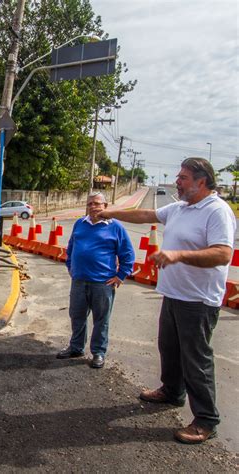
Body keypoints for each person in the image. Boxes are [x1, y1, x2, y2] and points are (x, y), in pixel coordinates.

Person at [98, 157, 236, 444]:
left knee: (196, 360)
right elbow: (146, 215)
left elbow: (223, 254)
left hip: (198, 300)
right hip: (174, 294)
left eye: (183, 177)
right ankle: (172, 391)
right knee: (169, 348)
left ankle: (206, 420)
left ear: (201, 181)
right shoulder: (181, 207)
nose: (177, 181)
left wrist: (178, 255)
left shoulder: (217, 211)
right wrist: (110, 212)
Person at [57, 192, 135, 368]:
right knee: (77, 316)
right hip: (78, 280)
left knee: (101, 319)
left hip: (102, 283)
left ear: (105, 206)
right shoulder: (80, 223)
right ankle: (76, 347)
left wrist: (120, 275)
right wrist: (70, 266)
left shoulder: (115, 227)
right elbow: (71, 247)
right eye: (90, 203)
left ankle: (98, 352)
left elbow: (128, 254)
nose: (93, 207)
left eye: (97, 203)